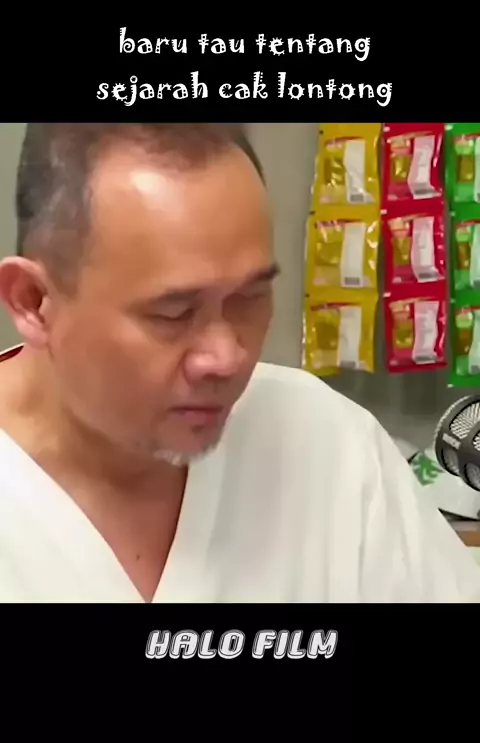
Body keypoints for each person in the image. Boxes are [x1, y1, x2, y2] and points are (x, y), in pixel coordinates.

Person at [0, 123, 479, 604]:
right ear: (33, 301)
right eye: (173, 313)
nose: (227, 357)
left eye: (250, 298)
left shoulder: (326, 444)